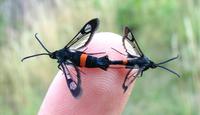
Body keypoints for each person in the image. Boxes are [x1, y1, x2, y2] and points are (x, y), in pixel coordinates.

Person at [38, 32, 137, 115]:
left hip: (84, 61)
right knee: (96, 60)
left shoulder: (62, 62)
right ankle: (102, 62)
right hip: (85, 58)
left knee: (99, 62)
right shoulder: (65, 51)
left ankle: (103, 63)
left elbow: (64, 69)